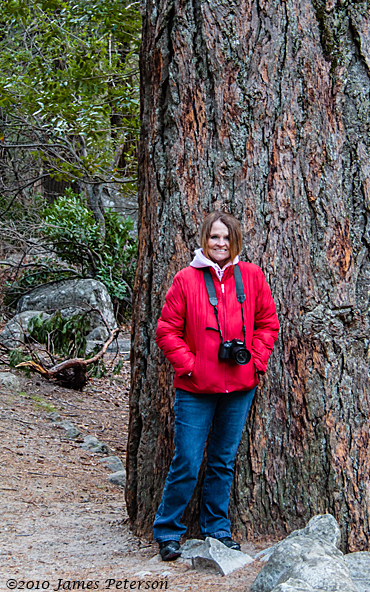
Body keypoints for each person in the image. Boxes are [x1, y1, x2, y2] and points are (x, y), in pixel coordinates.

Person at [153, 210, 279, 561]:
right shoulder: (185, 280)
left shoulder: (251, 276)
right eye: (214, 237)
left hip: (239, 387)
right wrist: (190, 365)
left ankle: (217, 529)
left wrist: (255, 361)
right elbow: (166, 330)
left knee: (223, 461)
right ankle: (167, 531)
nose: (220, 243)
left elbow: (268, 323)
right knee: (188, 461)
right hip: (195, 388)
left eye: (226, 237)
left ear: (235, 240)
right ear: (205, 240)